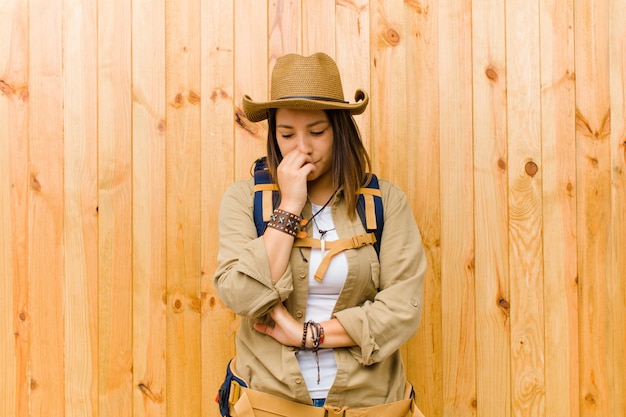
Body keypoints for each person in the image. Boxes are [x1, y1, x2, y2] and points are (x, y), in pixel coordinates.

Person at [214, 52, 427, 417]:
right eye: (287, 134)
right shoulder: (243, 198)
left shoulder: (384, 202)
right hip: (268, 401)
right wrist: (289, 208)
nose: (302, 147)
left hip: (368, 402)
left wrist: (307, 334)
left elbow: (401, 310)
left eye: (316, 132)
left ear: (339, 130)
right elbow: (241, 295)